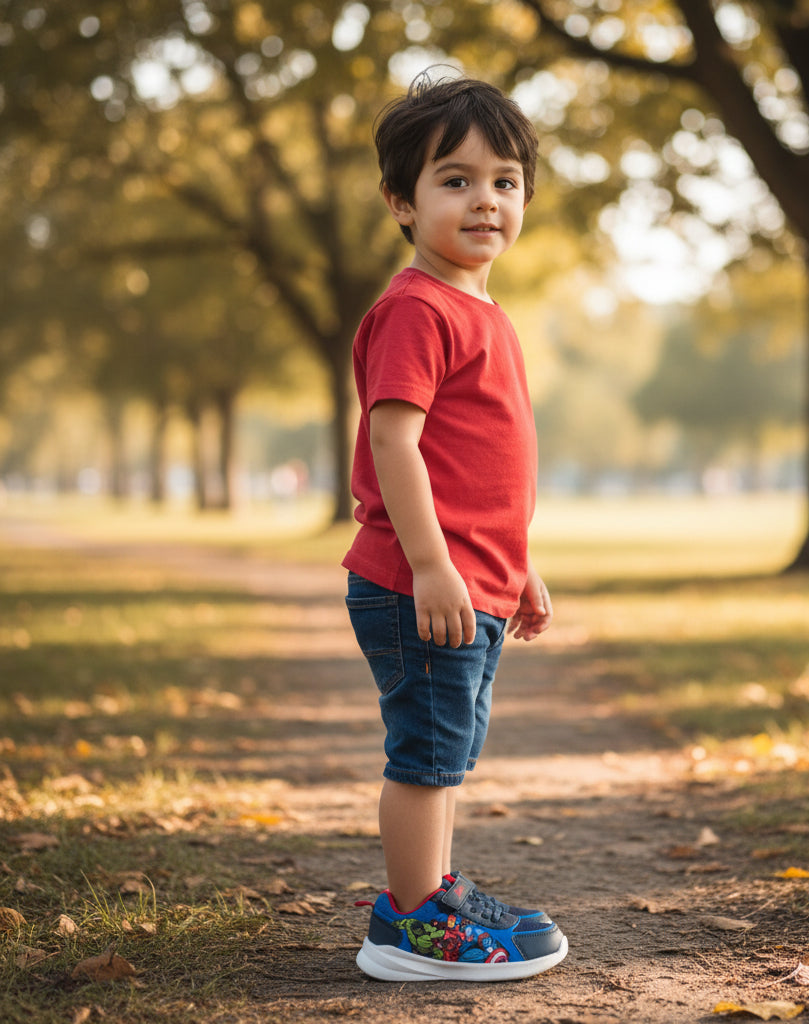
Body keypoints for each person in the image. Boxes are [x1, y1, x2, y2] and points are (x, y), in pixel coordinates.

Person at [343, 68, 567, 982]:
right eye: (456, 180)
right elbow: (394, 444)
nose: (486, 200)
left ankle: (430, 893)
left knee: (448, 748)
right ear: (402, 201)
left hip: (472, 580)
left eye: (505, 181)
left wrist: (516, 565)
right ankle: (406, 927)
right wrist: (434, 567)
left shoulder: (482, 310)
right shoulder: (414, 308)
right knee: (427, 756)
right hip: (418, 583)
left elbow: (481, 468)